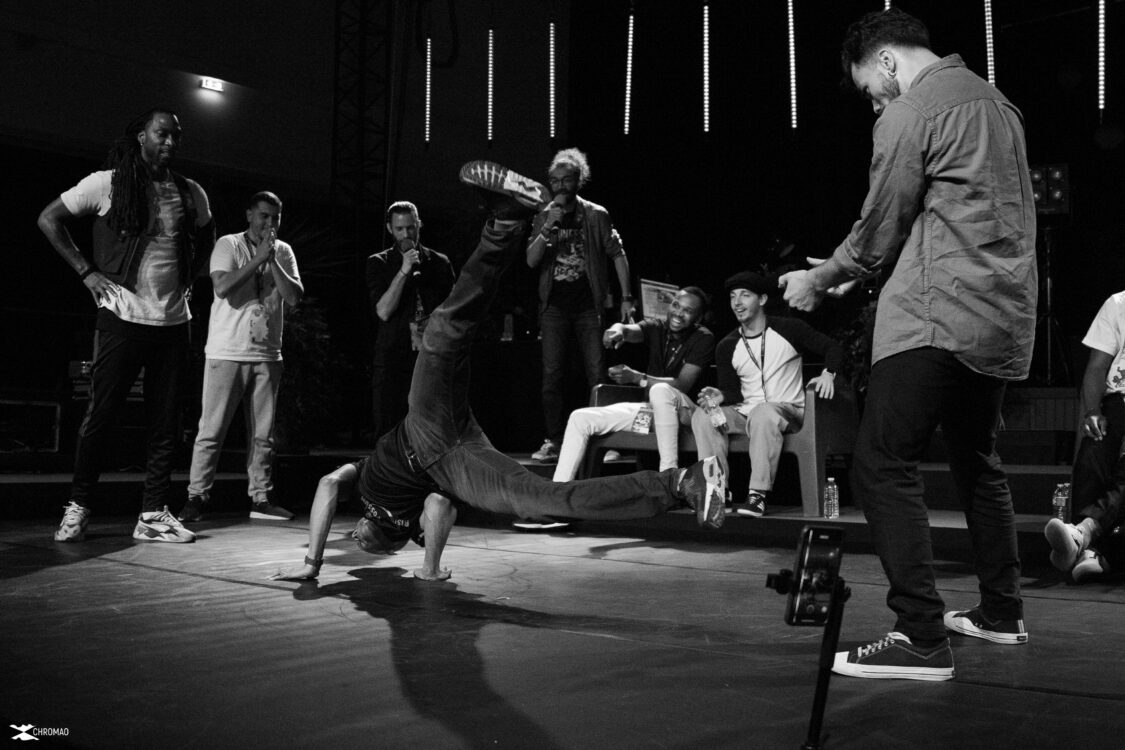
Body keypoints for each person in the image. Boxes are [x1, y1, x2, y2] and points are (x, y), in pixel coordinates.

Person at [269, 164, 726, 582]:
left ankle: (505, 223)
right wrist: (429, 568)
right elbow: (439, 504)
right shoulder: (408, 522)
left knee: (445, 330)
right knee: (541, 500)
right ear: (394, 543)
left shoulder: (360, 489)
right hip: (454, 459)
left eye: (356, 539)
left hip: (425, 424)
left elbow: (328, 485)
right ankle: (681, 483)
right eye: (371, 549)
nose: (359, 542)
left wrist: (313, 564)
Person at [779, 8, 1037, 680]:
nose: (873, 99)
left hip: (934, 313)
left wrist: (821, 277)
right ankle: (1001, 612)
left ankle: (919, 635)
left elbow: (880, 223)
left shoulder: (911, 110)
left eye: (869, 86)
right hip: (1000, 313)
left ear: (887, 60)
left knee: (880, 462)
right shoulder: (997, 103)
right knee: (976, 460)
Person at [38, 107, 214, 544]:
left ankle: (152, 513)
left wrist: (191, 277)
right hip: (121, 314)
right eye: (162, 134)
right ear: (140, 136)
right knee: (101, 416)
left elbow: (207, 235)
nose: (170, 142)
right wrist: (87, 272)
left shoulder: (190, 192)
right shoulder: (107, 183)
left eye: (176, 136)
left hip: (173, 321)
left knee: (165, 423)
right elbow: (48, 219)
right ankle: (78, 507)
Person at [180, 191, 304, 523]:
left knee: (263, 434)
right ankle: (196, 497)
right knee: (212, 429)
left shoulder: (284, 251)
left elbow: (293, 297)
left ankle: (261, 499)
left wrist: (272, 258)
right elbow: (222, 288)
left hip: (267, 353)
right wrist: (256, 259)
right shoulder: (228, 244)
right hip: (227, 351)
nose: (269, 223)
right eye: (264, 215)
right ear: (249, 214)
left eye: (275, 217)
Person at [692, 272, 841, 518]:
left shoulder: (789, 329)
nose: (737, 302)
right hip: (747, 413)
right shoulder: (727, 345)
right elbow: (733, 391)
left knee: (763, 412)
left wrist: (828, 374)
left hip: (787, 410)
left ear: (761, 299)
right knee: (705, 414)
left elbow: (832, 348)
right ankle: (717, 492)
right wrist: (719, 396)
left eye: (745, 295)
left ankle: (757, 495)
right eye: (732, 297)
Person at [526, 148, 635, 463]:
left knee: (596, 373)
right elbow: (531, 261)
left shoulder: (596, 214)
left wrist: (626, 298)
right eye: (555, 180)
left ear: (579, 180)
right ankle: (554, 441)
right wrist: (548, 226)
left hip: (589, 306)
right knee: (552, 376)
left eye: (567, 179)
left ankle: (607, 439)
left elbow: (618, 254)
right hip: (554, 308)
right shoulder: (544, 215)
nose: (560, 185)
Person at [552, 287, 715, 482]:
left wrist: (638, 378)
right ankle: (559, 490)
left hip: (688, 416)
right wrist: (616, 331)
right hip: (652, 416)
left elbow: (682, 385)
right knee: (580, 418)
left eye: (687, 311)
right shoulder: (657, 327)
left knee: (661, 390)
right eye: (676, 305)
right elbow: (630, 330)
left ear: (698, 318)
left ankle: (668, 478)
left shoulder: (704, 337)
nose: (678, 313)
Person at [1044, 291, 1125, 582]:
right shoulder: (1119, 304)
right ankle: (1087, 546)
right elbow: (1096, 369)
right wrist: (1091, 411)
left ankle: (1083, 536)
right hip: (1120, 401)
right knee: (1095, 445)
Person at [366, 201, 455, 439]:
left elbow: (452, 312)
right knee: (389, 429)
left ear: (419, 225)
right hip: (393, 355)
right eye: (399, 229)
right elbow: (383, 311)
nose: (406, 234)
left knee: (431, 428)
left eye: (410, 228)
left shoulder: (439, 263)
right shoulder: (379, 263)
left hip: (430, 356)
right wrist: (404, 270)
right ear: (390, 229)